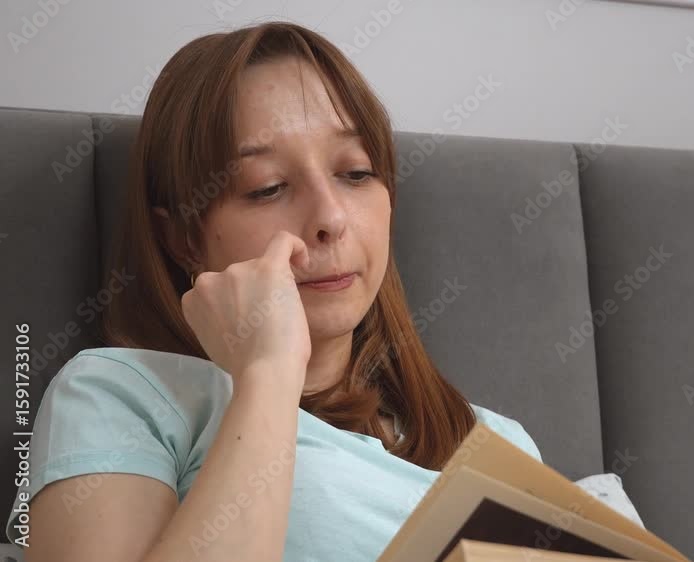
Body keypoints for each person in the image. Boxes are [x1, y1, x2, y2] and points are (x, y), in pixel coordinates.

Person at [5, 21, 542, 562]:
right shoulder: (119, 395)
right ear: (184, 238)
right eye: (267, 188)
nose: (331, 218)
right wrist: (269, 373)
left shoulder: (499, 444)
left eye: (356, 173)